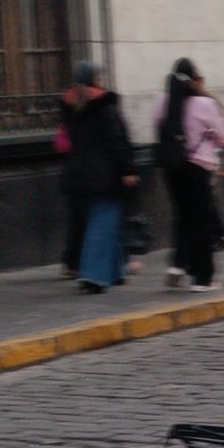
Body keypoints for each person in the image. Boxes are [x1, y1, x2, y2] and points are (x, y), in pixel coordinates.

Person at [154, 57, 224, 292]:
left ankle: (180, 264)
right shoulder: (204, 104)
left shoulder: (161, 101)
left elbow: (158, 126)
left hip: (171, 167)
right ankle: (203, 278)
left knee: (183, 217)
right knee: (200, 222)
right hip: (197, 167)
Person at [60, 63, 139, 294]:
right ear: (94, 78)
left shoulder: (70, 103)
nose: (103, 80)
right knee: (102, 222)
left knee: (101, 222)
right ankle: (93, 275)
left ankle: (114, 272)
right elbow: (116, 140)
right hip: (104, 174)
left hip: (77, 172)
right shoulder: (104, 104)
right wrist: (127, 170)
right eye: (100, 76)